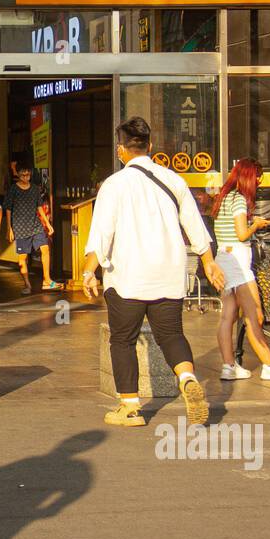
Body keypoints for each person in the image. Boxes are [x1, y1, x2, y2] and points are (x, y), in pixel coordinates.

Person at [81, 117, 226, 428]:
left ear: (121, 150)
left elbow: (102, 233)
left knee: (122, 340)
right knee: (171, 335)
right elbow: (194, 226)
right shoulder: (173, 180)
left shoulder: (114, 185)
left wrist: (88, 271)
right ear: (150, 147)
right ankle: (186, 376)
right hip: (169, 273)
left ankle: (130, 408)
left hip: (128, 276)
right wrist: (209, 262)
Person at [211, 158, 270, 382]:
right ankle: (269, 365)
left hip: (223, 257)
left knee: (227, 316)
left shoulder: (223, 198)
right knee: (254, 315)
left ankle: (229, 367)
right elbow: (241, 234)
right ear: (249, 177)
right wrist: (256, 224)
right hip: (237, 261)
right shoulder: (239, 200)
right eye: (257, 176)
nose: (259, 181)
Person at [3, 163, 60, 293]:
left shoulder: (34, 188)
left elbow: (39, 206)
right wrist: (9, 229)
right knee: (22, 258)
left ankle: (47, 279)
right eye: (23, 175)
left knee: (45, 249)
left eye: (28, 175)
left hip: (36, 225)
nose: (25, 177)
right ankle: (27, 284)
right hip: (20, 227)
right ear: (18, 175)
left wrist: (47, 223)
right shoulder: (13, 189)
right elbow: (8, 208)